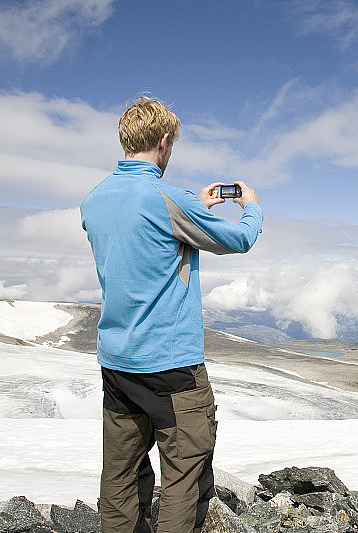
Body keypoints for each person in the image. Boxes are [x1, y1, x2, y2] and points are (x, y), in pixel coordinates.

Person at [80, 96, 263, 533]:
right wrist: (252, 206)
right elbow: (237, 240)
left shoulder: (94, 200)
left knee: (120, 475)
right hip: (172, 367)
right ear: (164, 141)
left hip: (118, 362)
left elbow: (142, 246)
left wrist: (193, 206)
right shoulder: (167, 197)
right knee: (186, 473)